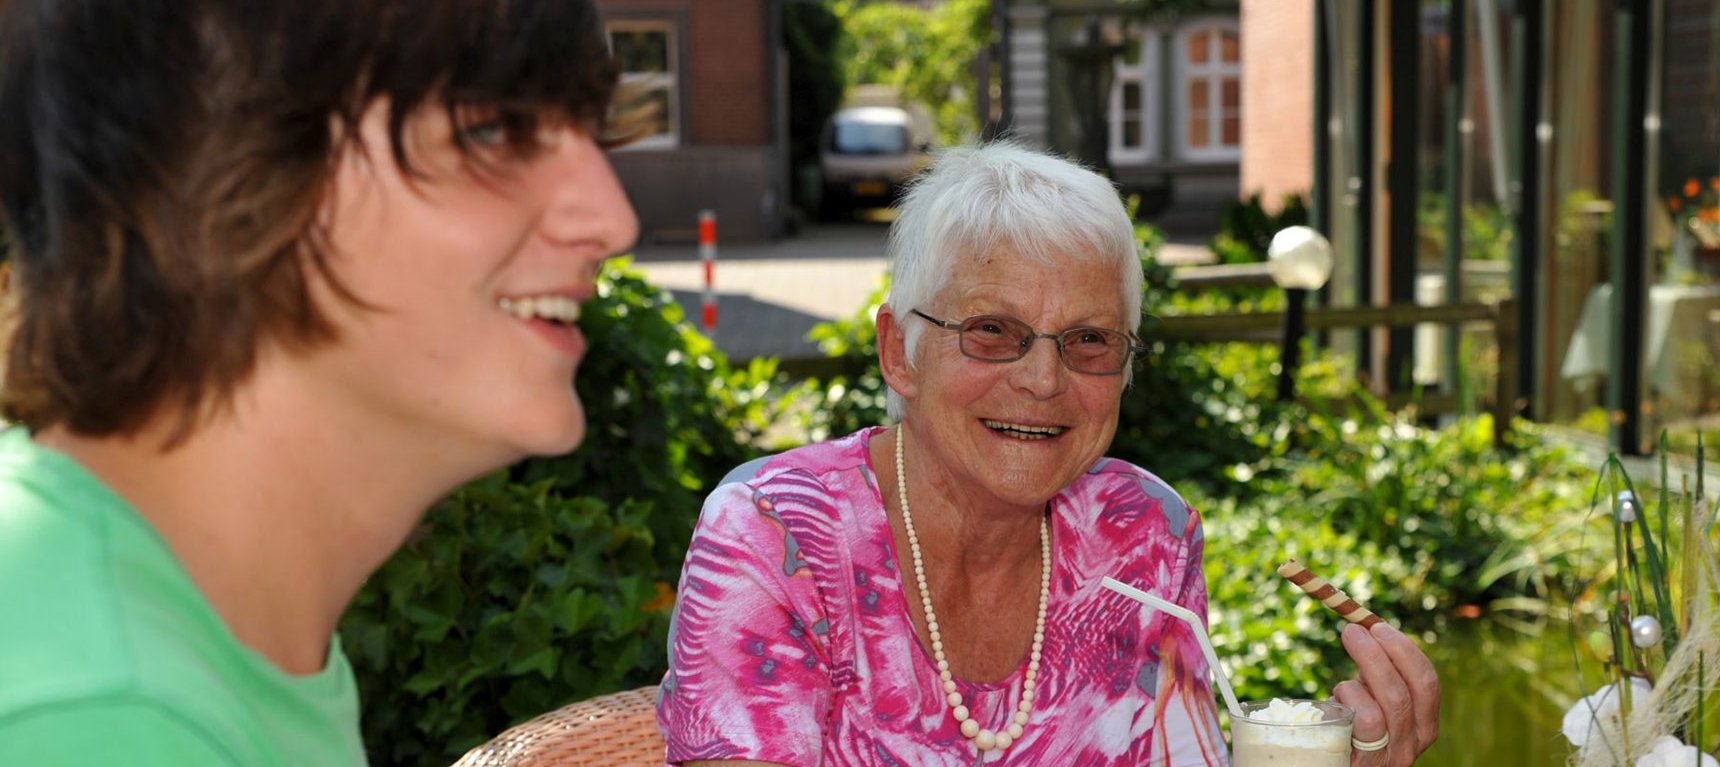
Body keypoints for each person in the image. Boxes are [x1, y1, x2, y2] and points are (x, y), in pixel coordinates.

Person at [656, 142, 1441, 766]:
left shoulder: (1144, 531)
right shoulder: (777, 533)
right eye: (992, 329)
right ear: (899, 351)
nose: (1042, 379)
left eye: (1089, 339)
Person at [0, 2, 638, 764]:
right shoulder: (105, 715)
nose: (613, 219)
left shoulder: (179, 640)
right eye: (492, 128)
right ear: (217, 159)